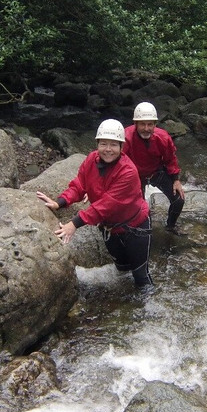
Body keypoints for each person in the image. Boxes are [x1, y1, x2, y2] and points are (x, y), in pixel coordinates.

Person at [37, 119, 153, 288]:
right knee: (122, 271)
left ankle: (147, 302)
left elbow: (107, 205)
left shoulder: (128, 171)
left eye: (113, 145)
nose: (108, 149)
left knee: (140, 277)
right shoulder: (91, 159)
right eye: (103, 144)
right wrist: (60, 202)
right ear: (97, 144)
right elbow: (79, 185)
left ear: (122, 147)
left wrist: (74, 224)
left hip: (135, 227)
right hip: (110, 228)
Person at [123, 102, 185, 233]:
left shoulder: (162, 137)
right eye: (142, 124)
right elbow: (116, 162)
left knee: (179, 200)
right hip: (135, 176)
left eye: (150, 124)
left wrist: (176, 180)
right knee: (143, 212)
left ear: (155, 124)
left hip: (156, 172)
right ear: (135, 124)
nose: (146, 128)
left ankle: (170, 227)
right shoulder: (126, 138)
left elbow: (170, 159)